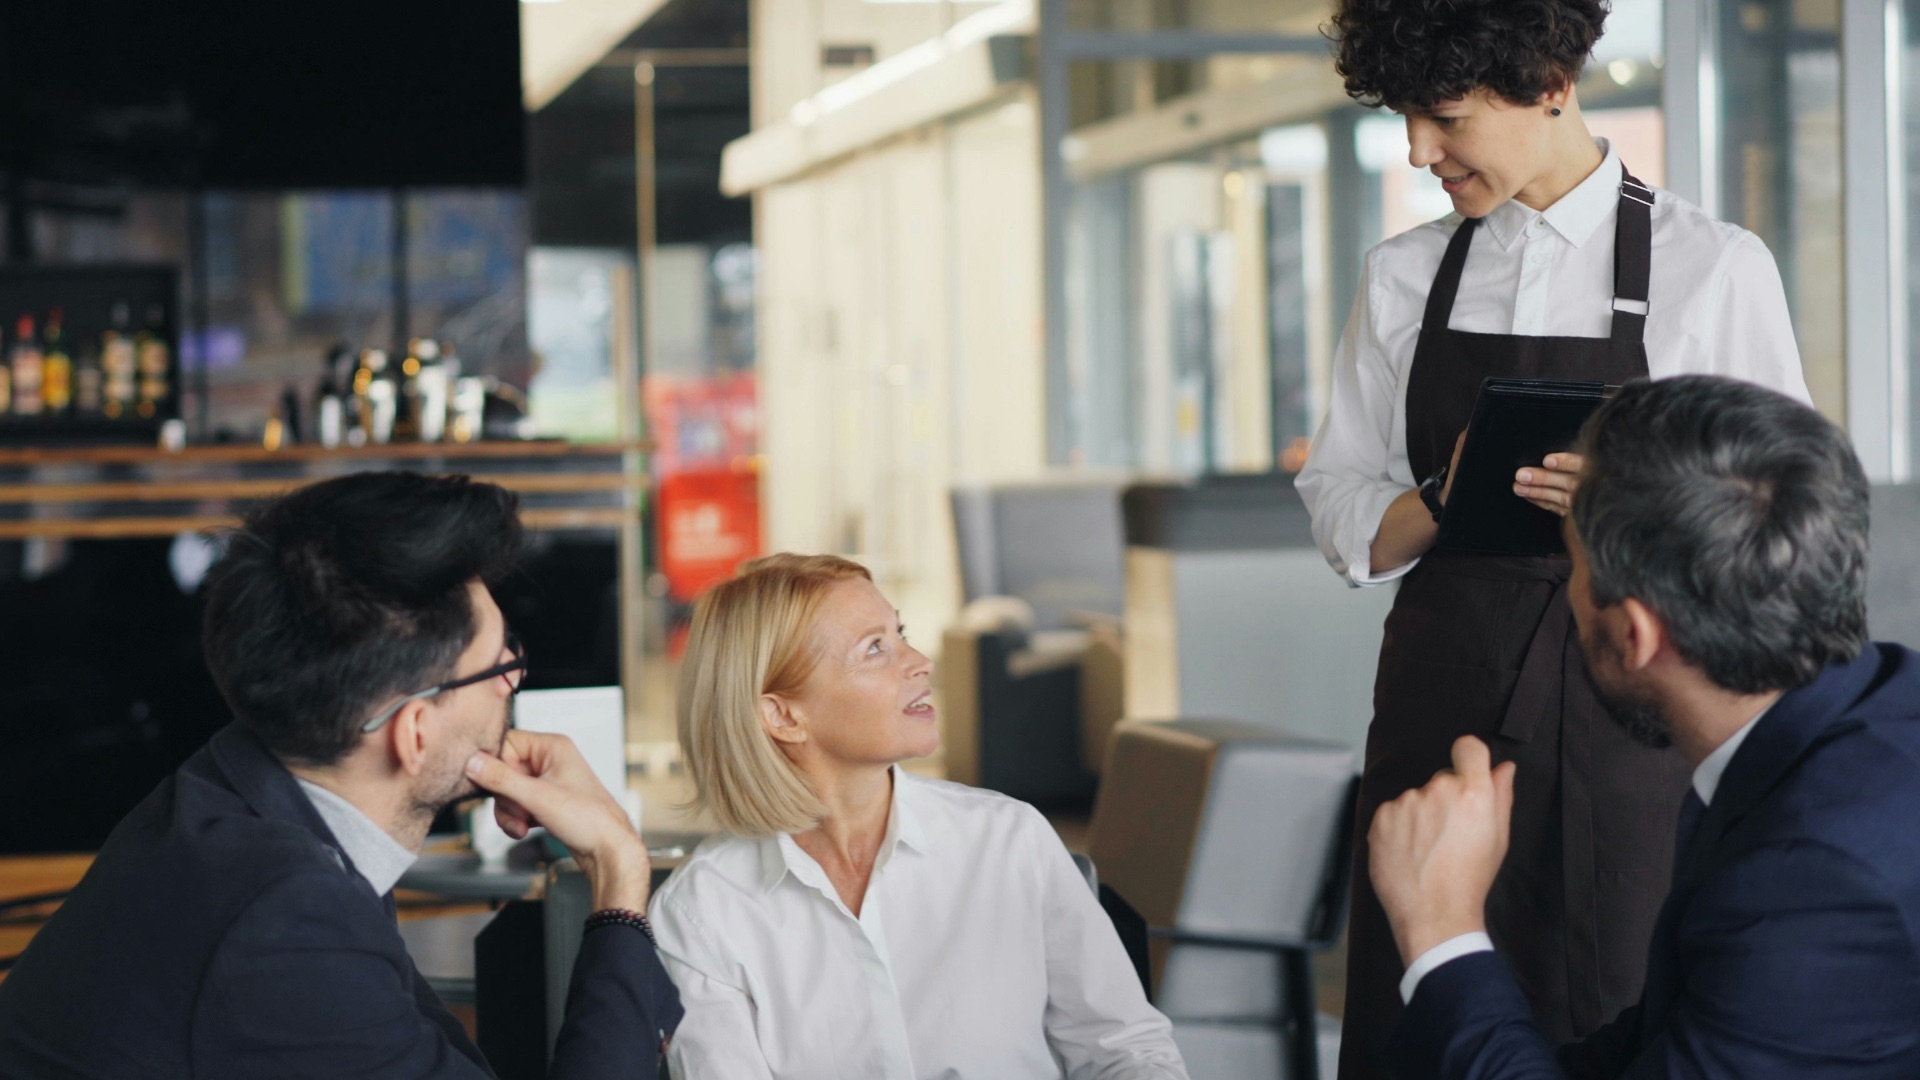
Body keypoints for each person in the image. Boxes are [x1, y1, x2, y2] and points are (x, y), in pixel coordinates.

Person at [1292, 2, 1812, 1071]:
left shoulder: (1712, 267)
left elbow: (1782, 521)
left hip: (1634, 701)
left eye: (1444, 118)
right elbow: (1340, 494)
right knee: (1413, 1004)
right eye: (1404, 119)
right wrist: (1453, 493)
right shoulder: (1402, 276)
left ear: (1552, 85)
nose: (1418, 152)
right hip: (1443, 684)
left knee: (1609, 990)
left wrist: (1645, 495)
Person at [0, 472, 682, 1079]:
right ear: (414, 734)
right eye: (501, 663)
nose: (513, 680)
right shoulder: (281, 922)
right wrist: (618, 867)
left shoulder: (238, 788)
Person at [1371, 375, 1920, 1078]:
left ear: (1636, 634)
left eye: (1572, 564)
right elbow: (1671, 1043)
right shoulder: (1846, 722)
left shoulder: (1815, 883)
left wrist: (1441, 931)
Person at [650, 554, 1188, 1080]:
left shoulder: (1009, 840)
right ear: (783, 715)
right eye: (876, 648)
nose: (920, 661)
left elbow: (1125, 1051)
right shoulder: (703, 911)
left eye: (899, 632)